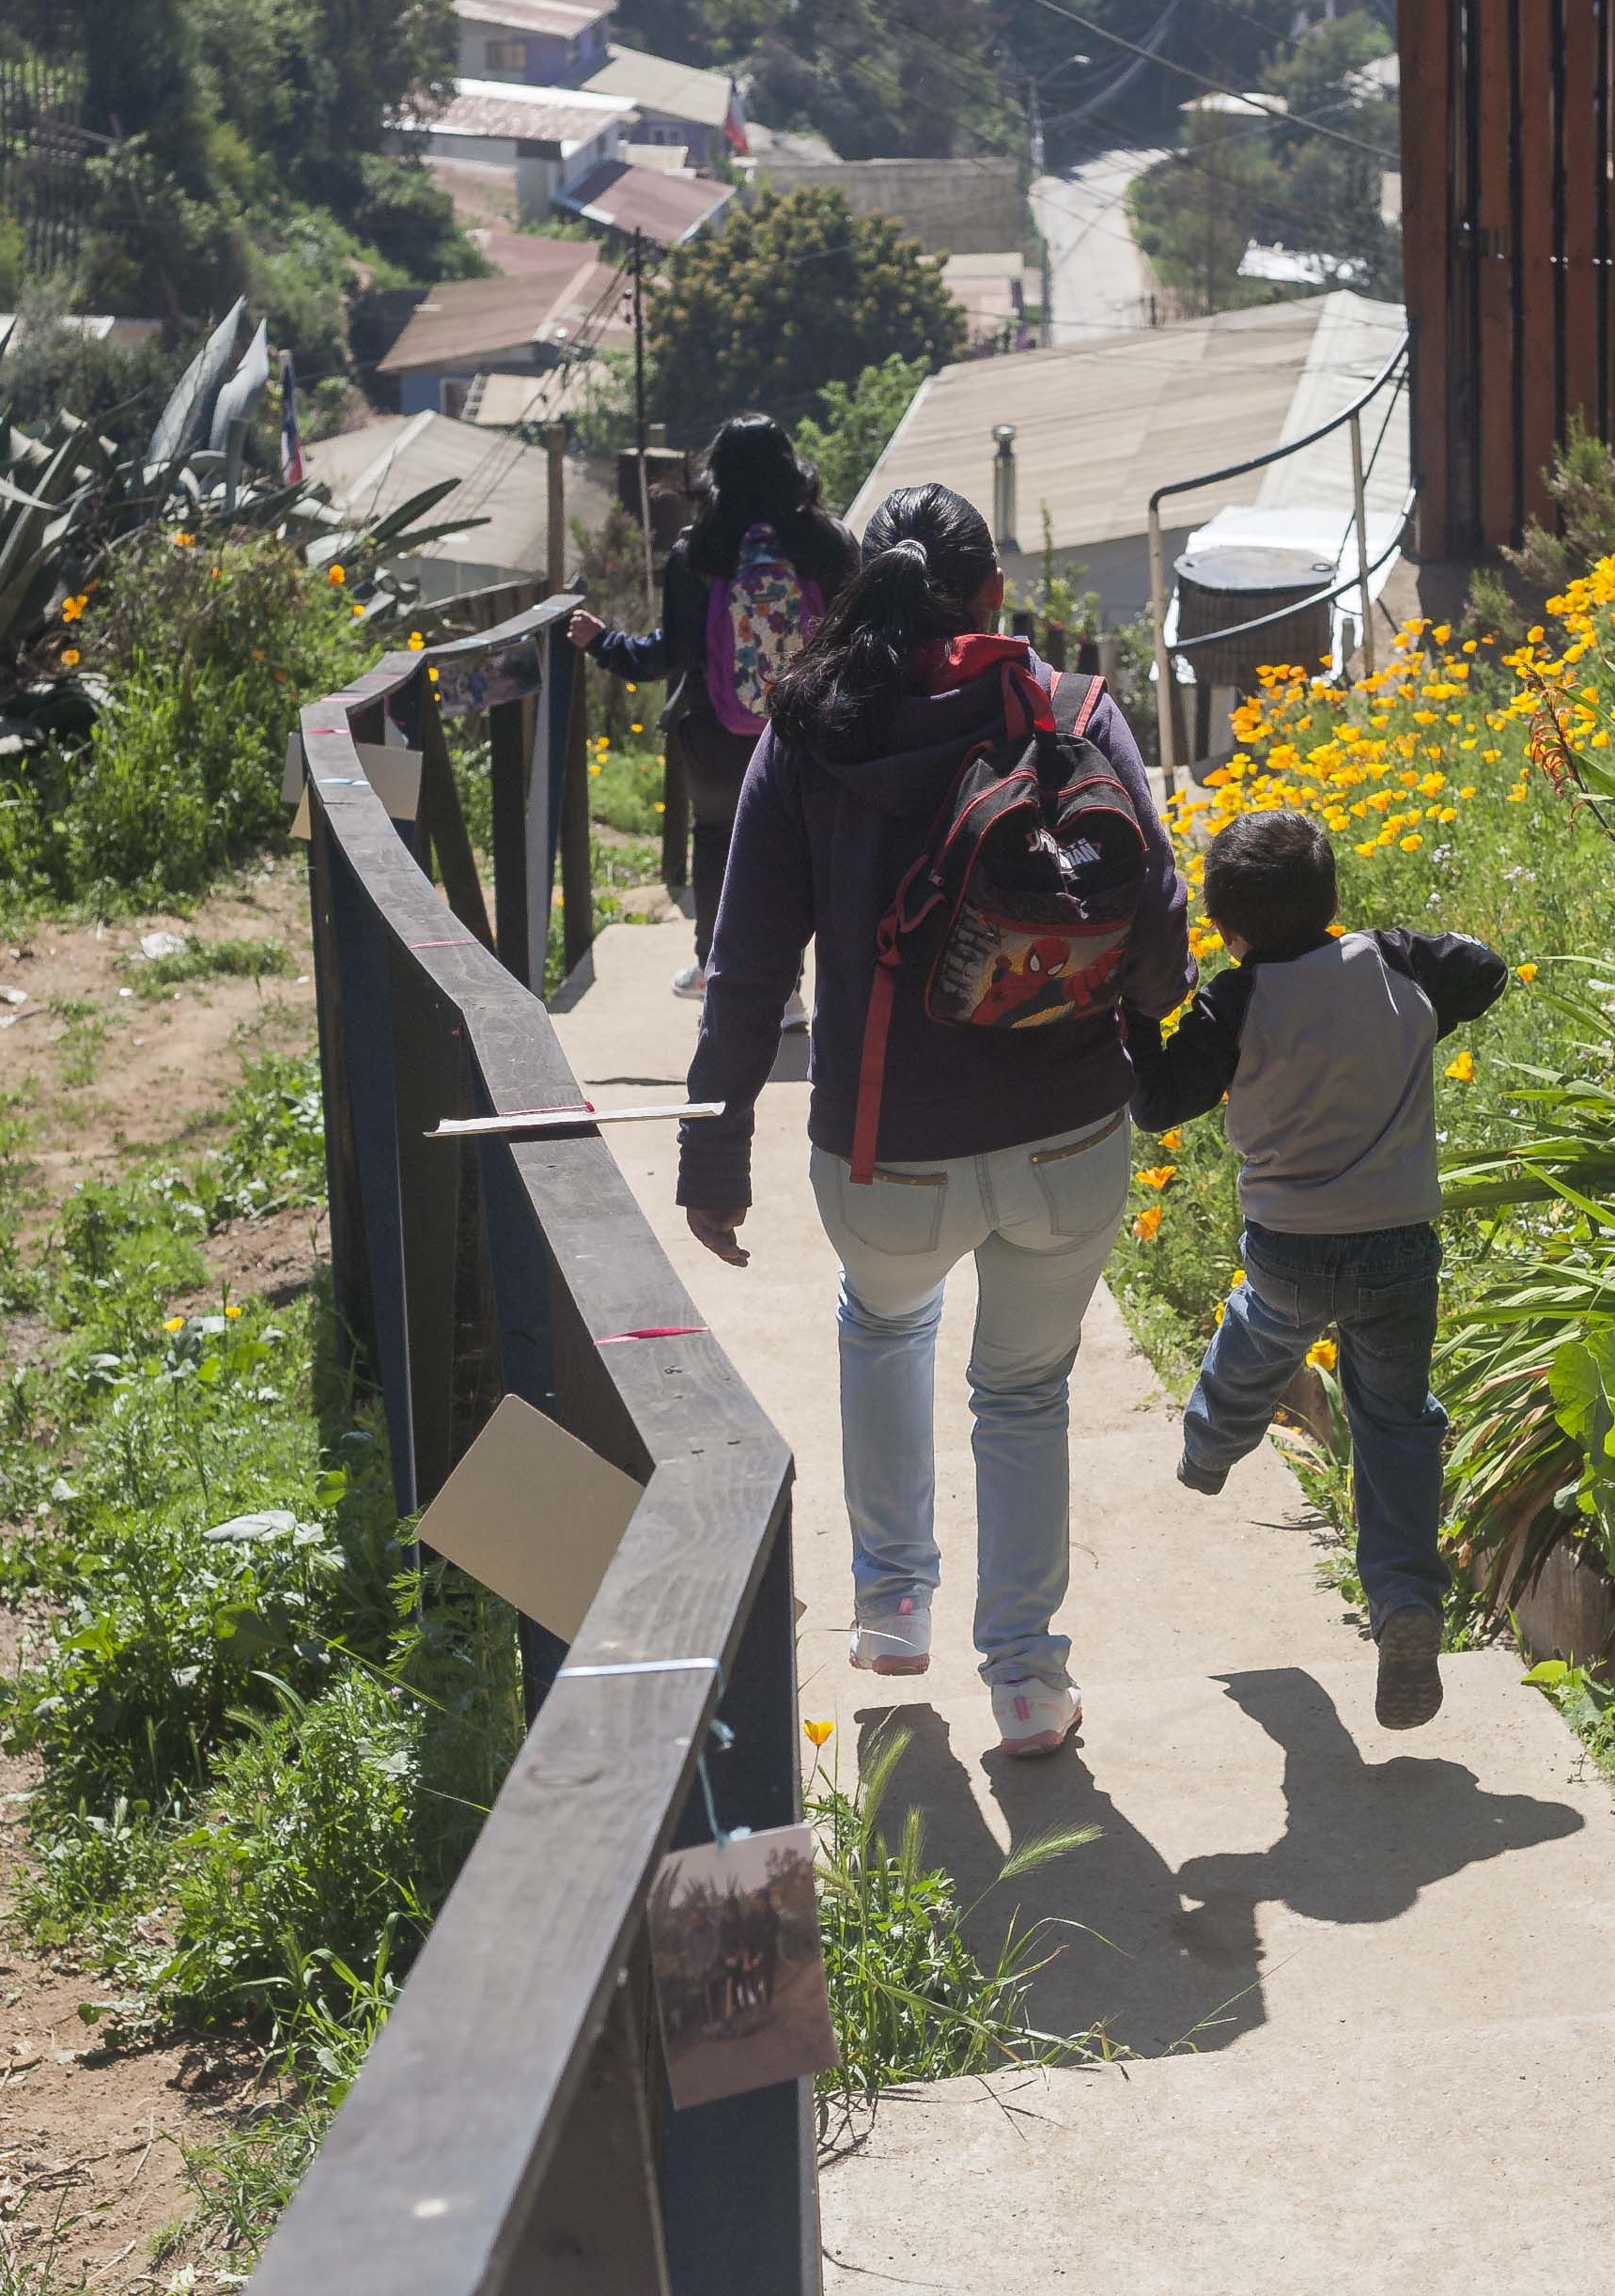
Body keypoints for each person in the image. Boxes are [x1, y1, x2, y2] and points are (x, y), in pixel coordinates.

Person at [677, 485, 1191, 1758]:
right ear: (994, 594)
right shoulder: (1072, 712)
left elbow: (748, 971)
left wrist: (714, 1149)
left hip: (881, 1150)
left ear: (865, 581)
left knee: (884, 1317)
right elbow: (1160, 921)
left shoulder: (805, 735)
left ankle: (894, 1600)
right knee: (1023, 1392)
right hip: (1068, 1133)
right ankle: (1026, 1679)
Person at [1126, 806, 1505, 1730]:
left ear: (1226, 928)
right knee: (1395, 1421)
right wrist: (1406, 989)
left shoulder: (1234, 1002)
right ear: (1333, 896)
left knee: (1260, 1328)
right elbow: (1486, 969)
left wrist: (1133, 1014)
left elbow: (1159, 1103)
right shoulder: (1396, 963)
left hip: (1289, 1246)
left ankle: (1211, 1444)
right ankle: (1405, 1600)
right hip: (1399, 1248)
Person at [566, 414, 860, 998]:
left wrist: (603, 642)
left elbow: (669, 654)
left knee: (719, 840)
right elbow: (856, 641)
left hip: (718, 736)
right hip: (811, 729)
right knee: (807, 848)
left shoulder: (698, 552)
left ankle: (716, 972)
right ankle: (797, 990)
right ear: (791, 467)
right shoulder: (831, 545)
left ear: (718, 474)